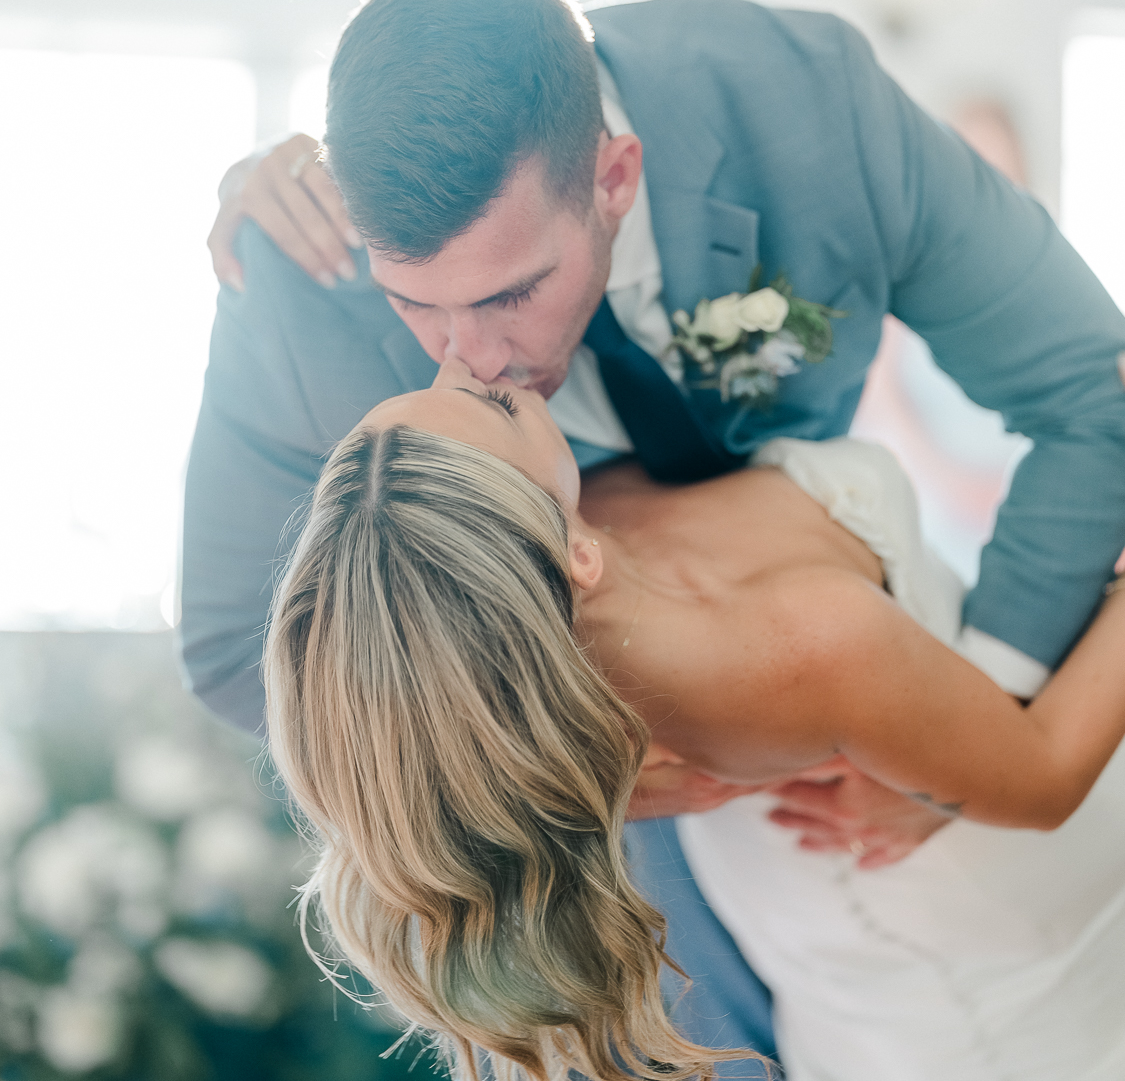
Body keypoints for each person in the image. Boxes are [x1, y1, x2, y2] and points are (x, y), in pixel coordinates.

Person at [182, 0, 1125, 1067]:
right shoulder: (307, 279)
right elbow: (234, 647)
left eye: (508, 294)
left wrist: (953, 743)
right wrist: (569, 767)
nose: (468, 363)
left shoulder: (802, 106)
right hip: (658, 837)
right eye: (414, 307)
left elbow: (1088, 392)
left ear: (616, 176)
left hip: (903, 779)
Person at [263, 358, 1125, 1081]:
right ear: (580, 557)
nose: (462, 355)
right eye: (491, 402)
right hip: (972, 922)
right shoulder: (802, 646)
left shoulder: (536, 573)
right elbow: (1044, 777)